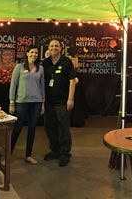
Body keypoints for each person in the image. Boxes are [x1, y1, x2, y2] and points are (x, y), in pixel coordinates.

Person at [42, 39, 77, 167]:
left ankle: (65, 153)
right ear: (48, 48)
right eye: (52, 46)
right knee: (50, 127)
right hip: (48, 102)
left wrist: (70, 99)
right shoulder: (45, 63)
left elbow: (72, 81)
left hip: (63, 102)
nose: (54, 48)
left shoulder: (67, 62)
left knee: (63, 128)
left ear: (61, 48)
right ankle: (55, 151)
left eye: (56, 46)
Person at [9, 44, 45, 165]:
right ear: (27, 53)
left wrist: (43, 103)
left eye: (36, 53)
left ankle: (28, 155)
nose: (34, 55)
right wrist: (11, 102)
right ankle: (8, 155)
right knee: (17, 129)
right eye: (32, 52)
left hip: (36, 102)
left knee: (32, 129)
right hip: (22, 102)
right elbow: (13, 85)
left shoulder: (41, 68)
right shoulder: (19, 67)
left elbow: (42, 86)